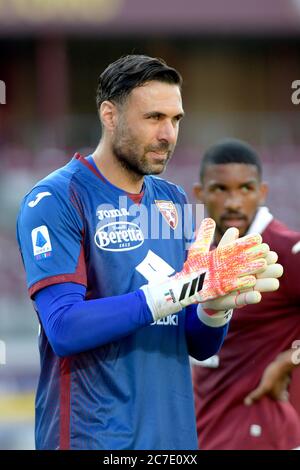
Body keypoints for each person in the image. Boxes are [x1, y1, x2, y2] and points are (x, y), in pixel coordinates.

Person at [16, 56, 280, 450]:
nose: (168, 134)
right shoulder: (57, 198)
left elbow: (198, 344)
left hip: (173, 441)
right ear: (109, 115)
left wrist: (214, 307)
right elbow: (64, 328)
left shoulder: (173, 201)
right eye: (154, 117)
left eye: (176, 120)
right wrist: (174, 292)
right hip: (94, 440)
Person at [192, 138, 300, 450]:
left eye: (246, 189)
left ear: (262, 193)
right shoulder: (198, 252)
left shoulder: (285, 248)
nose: (234, 202)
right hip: (207, 430)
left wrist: (289, 358)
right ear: (200, 194)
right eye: (220, 189)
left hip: (264, 434)